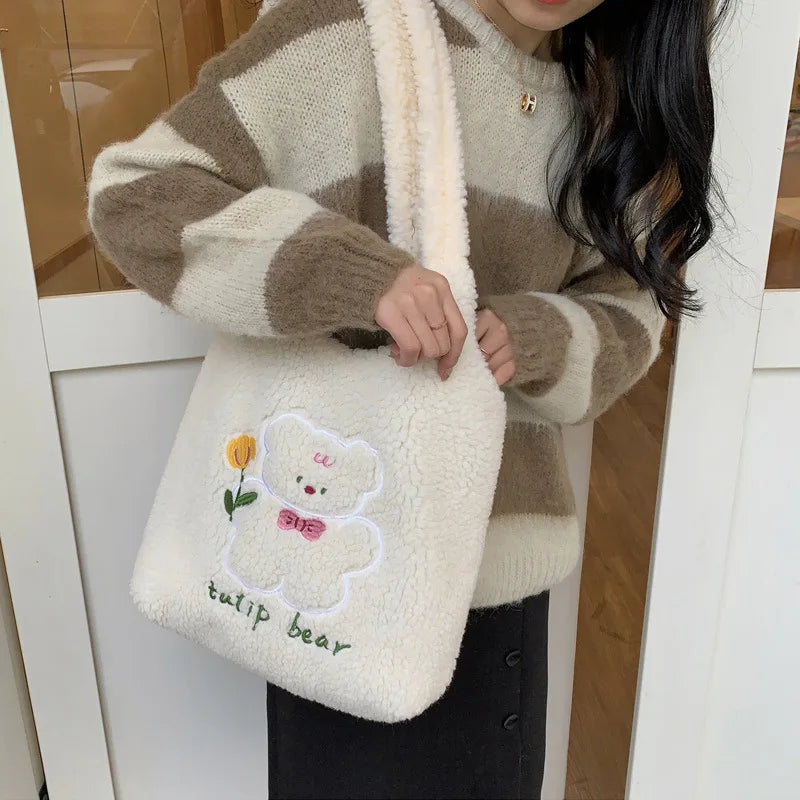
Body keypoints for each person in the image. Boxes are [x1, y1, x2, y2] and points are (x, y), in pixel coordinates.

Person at [87, 0, 726, 797]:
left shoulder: (601, 102)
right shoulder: (349, 34)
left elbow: (631, 313)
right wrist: (360, 278)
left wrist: (538, 335)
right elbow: (136, 197)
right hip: (346, 570)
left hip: (504, 595)